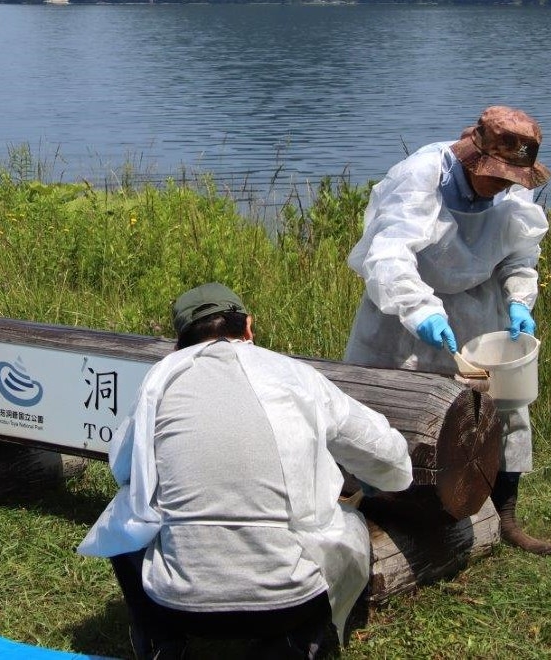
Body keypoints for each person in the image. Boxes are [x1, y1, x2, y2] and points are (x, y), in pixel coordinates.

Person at [79, 283, 413, 660]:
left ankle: (161, 641)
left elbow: (124, 470)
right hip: (289, 602)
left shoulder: (160, 380)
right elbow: (385, 453)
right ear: (249, 327)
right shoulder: (293, 374)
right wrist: (384, 479)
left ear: (180, 342)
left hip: (176, 602)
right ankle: (296, 641)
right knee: (347, 523)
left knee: (125, 507)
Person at [342, 105, 551, 555]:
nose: (504, 186)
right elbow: (390, 254)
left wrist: (519, 299)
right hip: (401, 313)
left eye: (511, 179)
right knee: (386, 405)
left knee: (503, 406)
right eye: (496, 176)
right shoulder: (423, 176)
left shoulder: (512, 188)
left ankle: (505, 517)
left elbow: (520, 255)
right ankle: (375, 505)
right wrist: (420, 311)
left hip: (479, 308)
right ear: (473, 157)